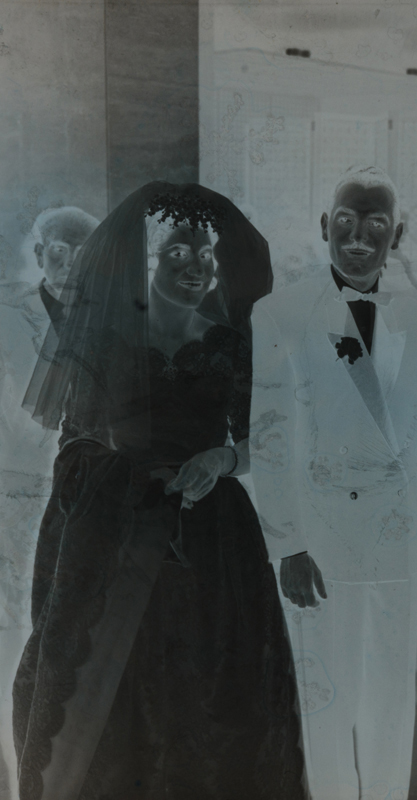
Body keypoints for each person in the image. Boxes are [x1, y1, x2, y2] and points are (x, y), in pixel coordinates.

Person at [12, 183, 307, 800]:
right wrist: (132, 478)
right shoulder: (104, 340)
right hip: (119, 541)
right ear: (147, 258)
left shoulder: (230, 344)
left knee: (218, 698)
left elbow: (261, 442)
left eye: (205, 256)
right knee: (117, 698)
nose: (196, 268)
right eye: (177, 253)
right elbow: (75, 442)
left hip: (215, 543)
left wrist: (223, 457)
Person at [249, 165, 417, 800]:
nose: (359, 237)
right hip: (320, 545)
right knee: (324, 700)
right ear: (325, 226)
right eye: (346, 221)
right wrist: (288, 545)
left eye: (376, 224)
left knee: (391, 706)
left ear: (398, 235)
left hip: (396, 539)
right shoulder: (280, 312)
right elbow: (269, 438)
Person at [0, 206, 99, 790]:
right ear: (39, 254)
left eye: (82, 253)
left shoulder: (110, 317)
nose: (69, 263)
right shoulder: (6, 314)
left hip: (79, 503)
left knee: (60, 637)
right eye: (58, 250)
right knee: (12, 633)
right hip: (13, 494)